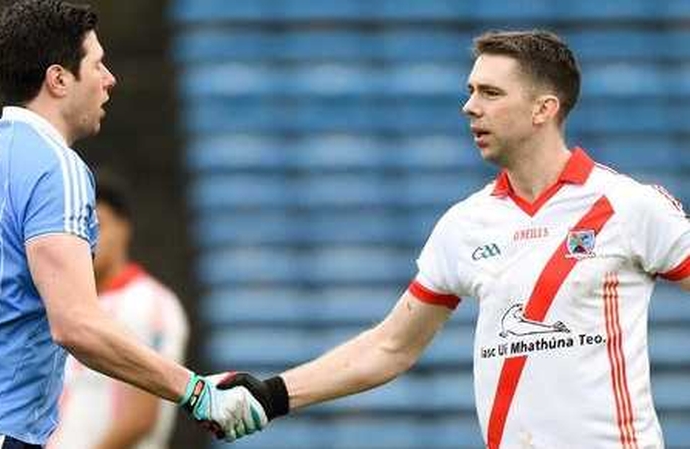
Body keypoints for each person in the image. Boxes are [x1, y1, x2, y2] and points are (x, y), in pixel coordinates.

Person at [219, 30, 690, 448]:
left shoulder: (629, 206)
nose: (470, 107)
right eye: (471, 91)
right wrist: (272, 395)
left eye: (490, 93)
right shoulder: (466, 223)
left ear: (543, 109)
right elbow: (391, 347)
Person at [0, 1, 263, 448]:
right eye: (98, 64)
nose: (110, 79)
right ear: (59, 79)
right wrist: (196, 392)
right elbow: (75, 324)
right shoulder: (56, 166)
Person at [49, 174, 190, 449]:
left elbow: (140, 417)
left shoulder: (149, 302)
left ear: (124, 228)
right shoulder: (67, 308)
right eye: (78, 228)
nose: (87, 238)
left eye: (97, 225)